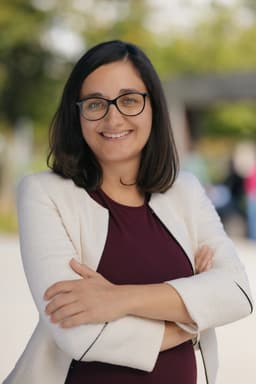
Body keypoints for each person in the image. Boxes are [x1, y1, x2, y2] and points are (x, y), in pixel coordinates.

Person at [4, 40, 253, 384]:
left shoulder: (186, 190)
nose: (113, 117)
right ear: (77, 114)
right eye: (95, 104)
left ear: (153, 107)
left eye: (129, 100)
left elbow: (237, 292)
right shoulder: (43, 193)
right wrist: (192, 314)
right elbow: (77, 332)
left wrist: (116, 298)